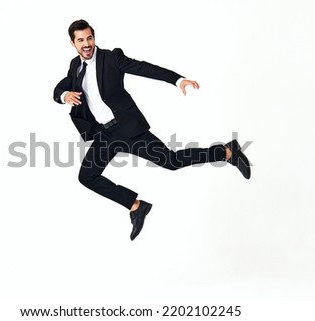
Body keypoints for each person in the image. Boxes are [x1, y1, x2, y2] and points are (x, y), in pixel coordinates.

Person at [54, 20, 251, 241]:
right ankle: (135, 206)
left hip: (126, 128)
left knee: (171, 161)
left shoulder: (111, 58)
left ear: (94, 37)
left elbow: (144, 68)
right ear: (73, 43)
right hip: (104, 135)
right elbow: (60, 88)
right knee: (87, 176)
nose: (86, 44)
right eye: (81, 40)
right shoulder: (75, 66)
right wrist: (64, 96)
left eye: (89, 38)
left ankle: (226, 152)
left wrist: (177, 80)